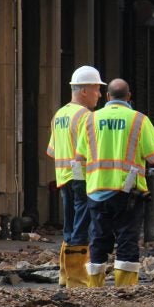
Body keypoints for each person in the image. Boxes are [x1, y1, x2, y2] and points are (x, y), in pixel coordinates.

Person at [75, 79, 154, 288]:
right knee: (127, 240)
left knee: (98, 239)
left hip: (96, 191)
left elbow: (80, 157)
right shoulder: (139, 120)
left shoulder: (89, 120)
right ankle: (125, 290)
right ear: (129, 97)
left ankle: (95, 289)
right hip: (128, 193)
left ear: (107, 96)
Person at [46, 66, 105, 288]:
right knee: (81, 226)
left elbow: (52, 151)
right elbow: (91, 150)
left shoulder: (59, 114)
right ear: (84, 91)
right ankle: (77, 280)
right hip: (81, 177)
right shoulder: (86, 117)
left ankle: (66, 275)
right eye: (97, 89)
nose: (99, 94)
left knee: (70, 225)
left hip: (63, 177)